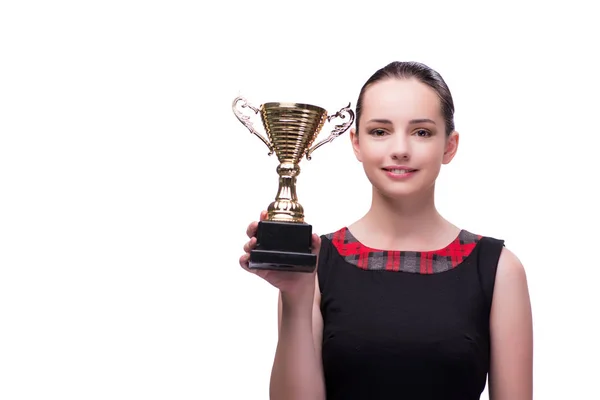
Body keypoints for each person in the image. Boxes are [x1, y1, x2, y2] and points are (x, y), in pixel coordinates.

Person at [239, 61, 533, 400]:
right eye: (380, 131)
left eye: (421, 132)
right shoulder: (317, 262)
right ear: (356, 143)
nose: (400, 149)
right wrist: (295, 295)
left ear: (449, 146)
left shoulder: (499, 270)